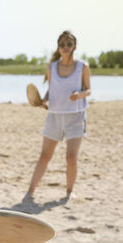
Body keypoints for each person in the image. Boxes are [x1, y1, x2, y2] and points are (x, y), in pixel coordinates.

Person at [26, 31, 91, 199]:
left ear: (74, 46)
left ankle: (69, 193)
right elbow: (51, 89)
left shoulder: (82, 67)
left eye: (69, 44)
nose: (65, 47)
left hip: (76, 116)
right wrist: (44, 101)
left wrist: (79, 95)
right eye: (62, 45)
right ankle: (30, 192)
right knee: (45, 156)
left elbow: (88, 90)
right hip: (54, 116)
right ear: (58, 47)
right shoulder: (52, 67)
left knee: (71, 158)